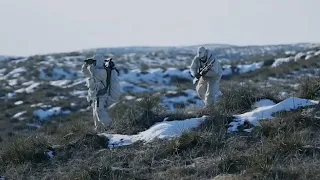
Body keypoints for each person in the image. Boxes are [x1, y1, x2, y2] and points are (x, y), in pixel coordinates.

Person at [81, 54, 121, 131]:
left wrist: (90, 64)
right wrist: (85, 64)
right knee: (95, 116)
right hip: (95, 96)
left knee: (100, 112)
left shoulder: (101, 71)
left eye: (95, 61)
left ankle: (110, 127)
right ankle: (100, 131)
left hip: (101, 96)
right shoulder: (94, 69)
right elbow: (85, 72)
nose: (93, 63)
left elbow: (94, 73)